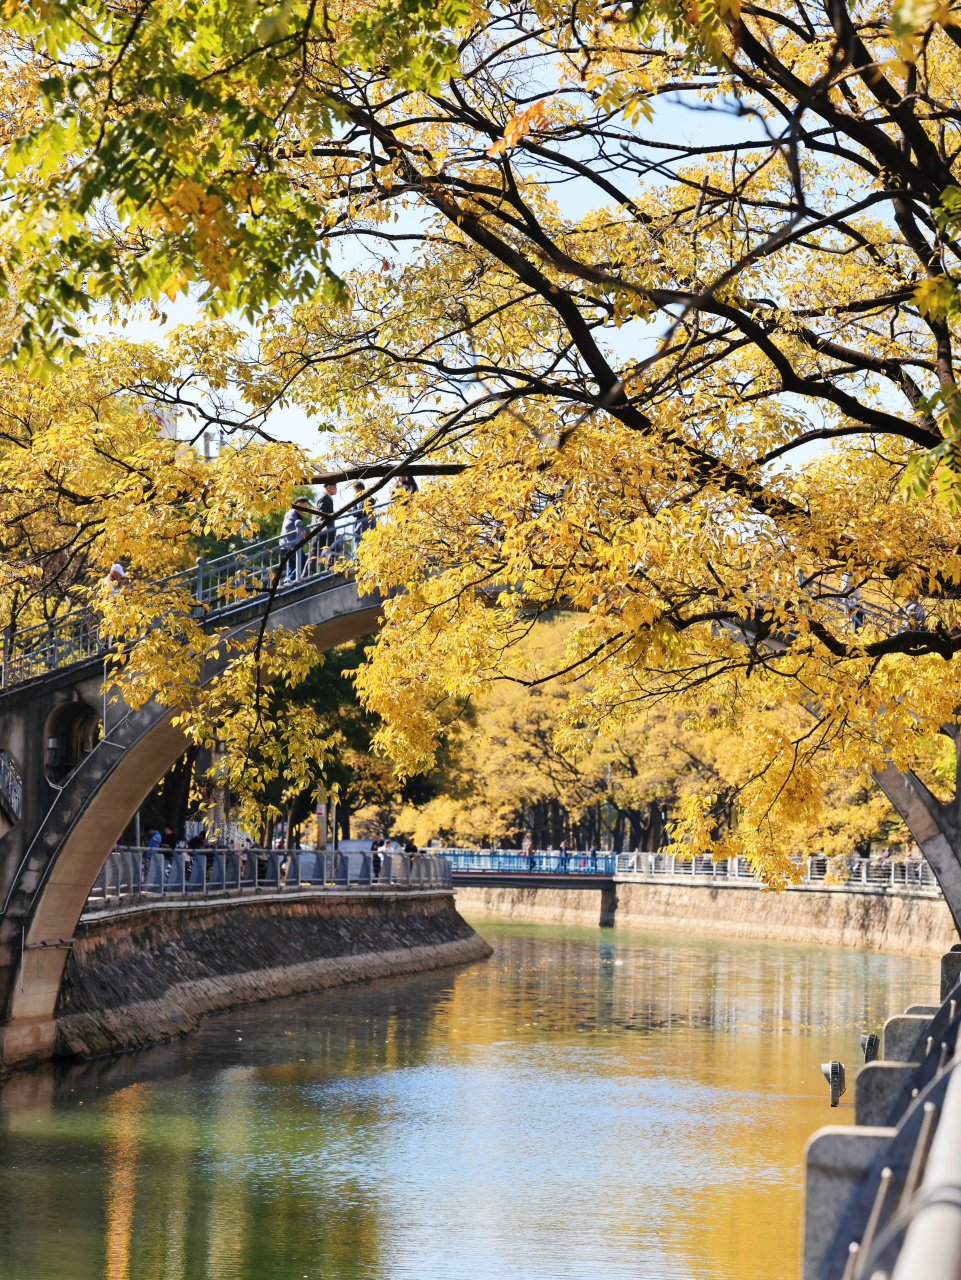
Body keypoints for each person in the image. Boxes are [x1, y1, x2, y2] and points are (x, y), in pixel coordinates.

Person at [280, 495, 310, 582]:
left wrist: (302, 531)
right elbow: (288, 526)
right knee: (303, 562)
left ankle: (288, 580)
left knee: (292, 565)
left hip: (288, 544)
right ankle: (291, 579)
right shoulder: (292, 513)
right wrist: (299, 531)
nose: (304, 510)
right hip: (291, 544)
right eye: (303, 507)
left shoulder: (293, 514)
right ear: (298, 504)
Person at [316, 482, 339, 568]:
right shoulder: (324, 497)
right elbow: (320, 511)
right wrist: (322, 523)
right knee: (333, 548)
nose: (336, 488)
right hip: (325, 529)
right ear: (329, 487)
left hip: (326, 529)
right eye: (335, 486)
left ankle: (330, 568)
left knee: (333, 548)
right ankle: (330, 569)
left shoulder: (327, 497)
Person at [351, 482, 377, 550]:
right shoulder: (368, 499)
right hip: (366, 529)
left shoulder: (366, 500)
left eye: (355, 491)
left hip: (362, 530)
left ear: (359, 489)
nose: (354, 494)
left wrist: (354, 501)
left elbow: (356, 513)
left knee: (357, 551)